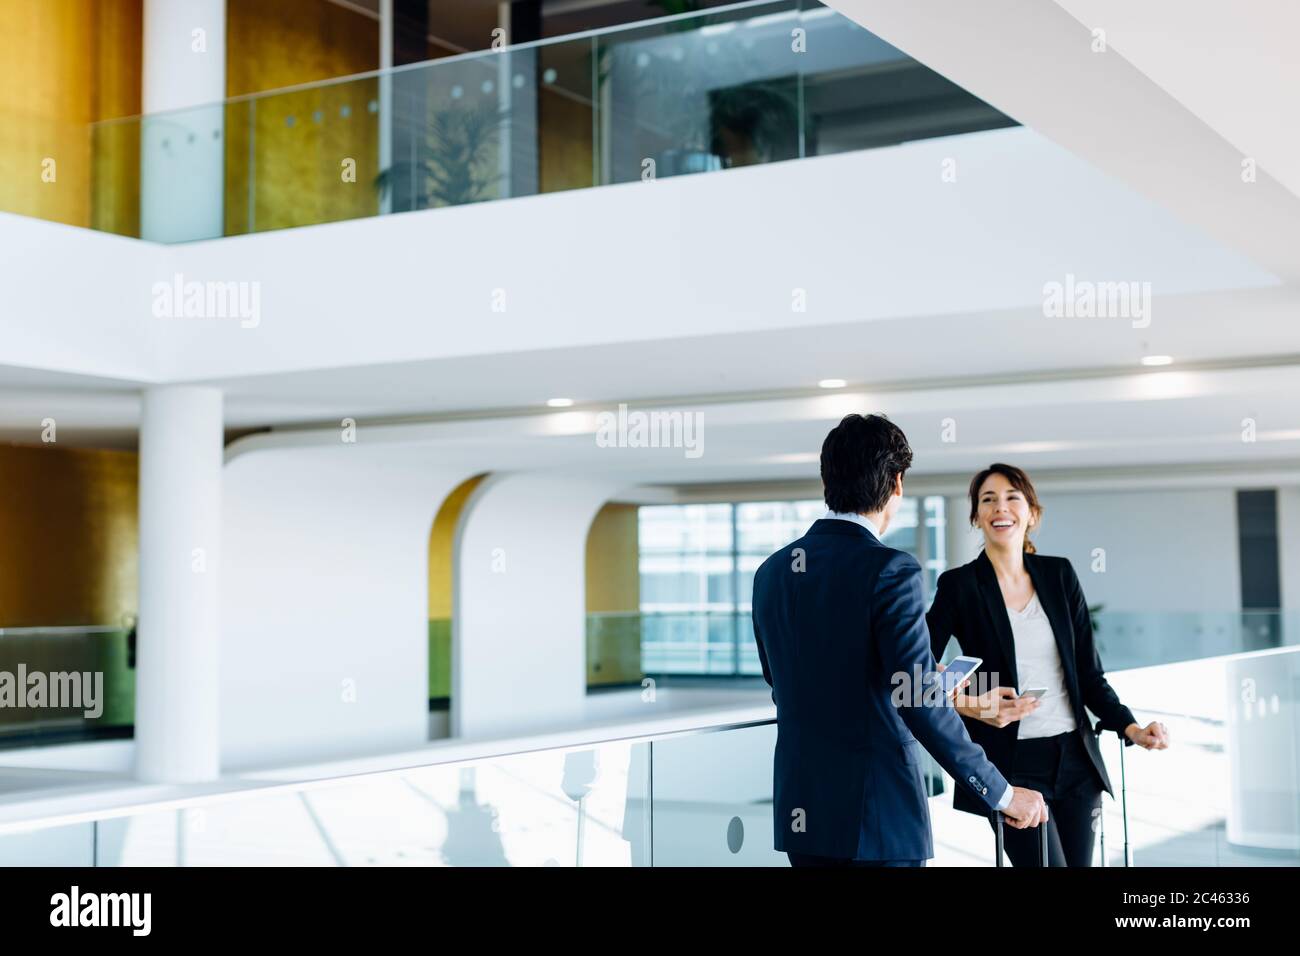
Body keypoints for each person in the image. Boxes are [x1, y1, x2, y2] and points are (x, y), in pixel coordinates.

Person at [751, 414, 1047, 866]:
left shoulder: (772, 572)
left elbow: (785, 683)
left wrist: (920, 684)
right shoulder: (890, 569)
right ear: (896, 483)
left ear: (828, 478)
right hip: (878, 817)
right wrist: (1001, 793)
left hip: (804, 815)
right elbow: (919, 703)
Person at [927, 463, 1169, 867]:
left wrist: (1131, 727)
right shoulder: (959, 586)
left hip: (1075, 760)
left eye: (1011, 498)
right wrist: (972, 704)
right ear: (976, 517)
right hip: (1009, 765)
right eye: (988, 500)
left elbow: (1089, 675)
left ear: (1031, 513)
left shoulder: (1059, 575)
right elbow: (916, 670)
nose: (999, 508)